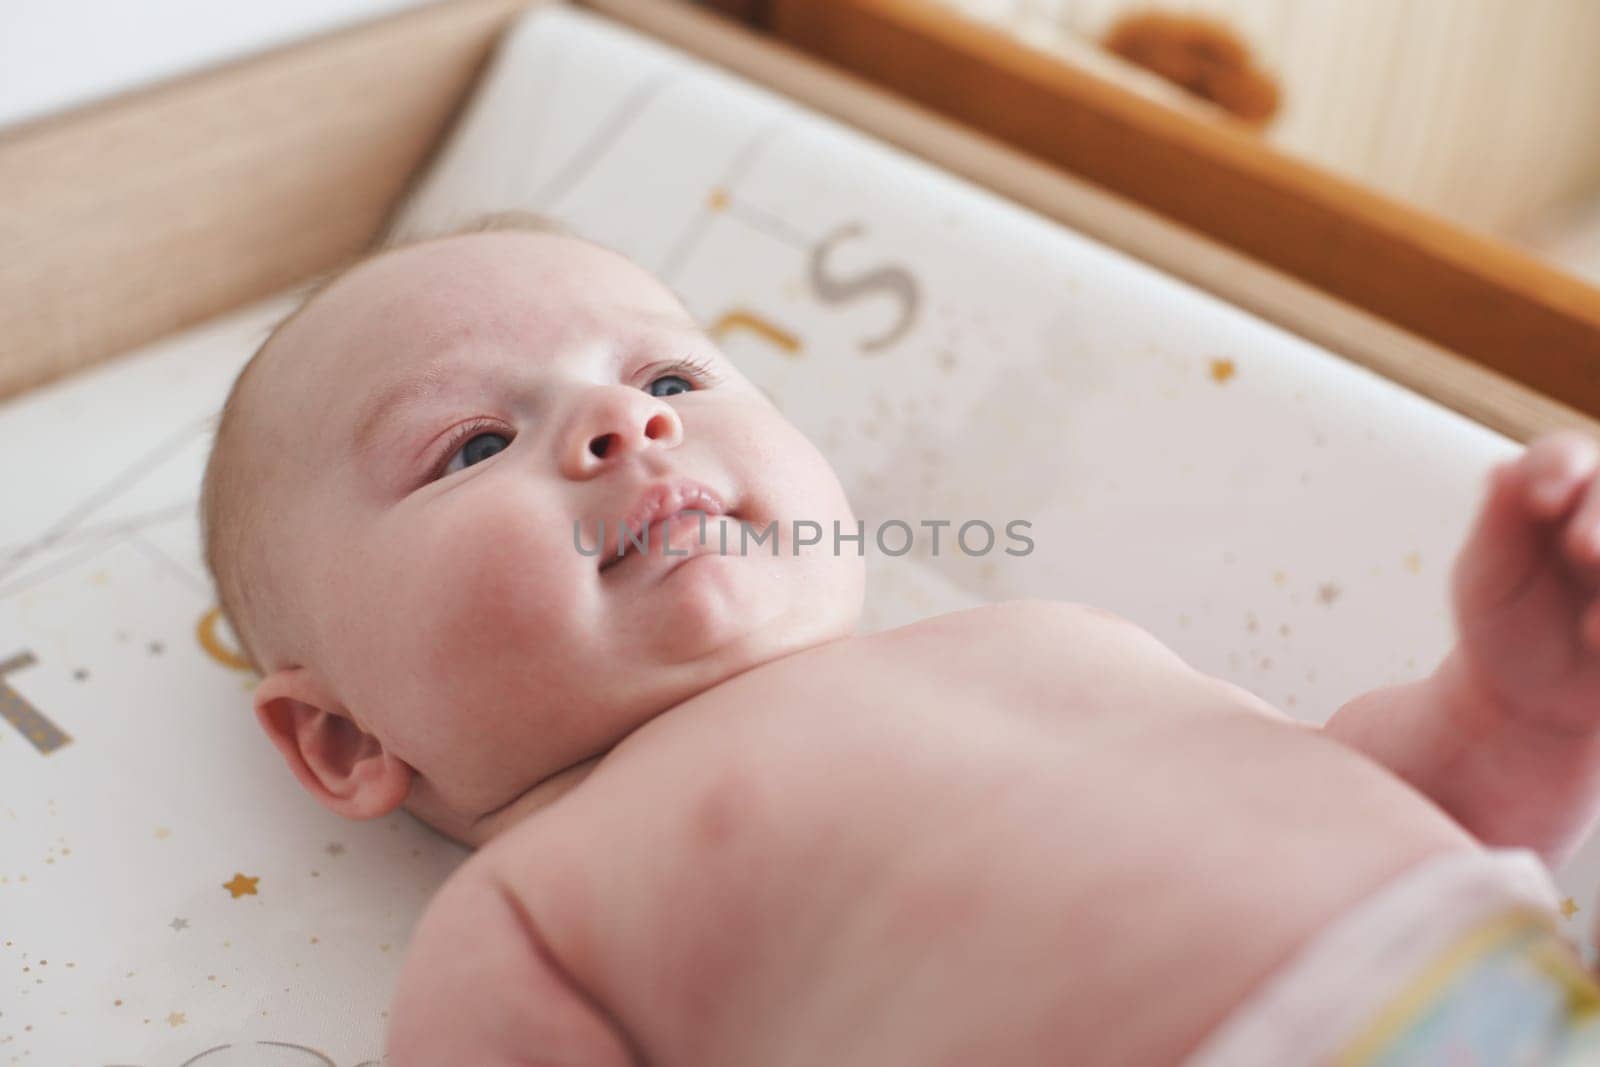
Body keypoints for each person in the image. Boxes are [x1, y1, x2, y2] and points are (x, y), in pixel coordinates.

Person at [200, 211, 1600, 1065]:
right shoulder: (530, 913)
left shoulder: (1049, 634)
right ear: (340, 734)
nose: (628, 425)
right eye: (474, 444)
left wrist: (1506, 713)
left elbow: (1399, 802)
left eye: (669, 374)